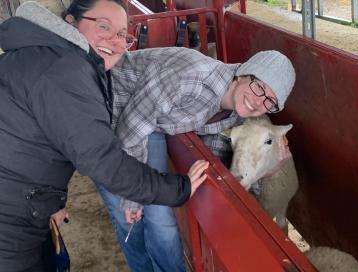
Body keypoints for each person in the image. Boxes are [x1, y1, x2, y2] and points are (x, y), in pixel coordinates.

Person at [0, 1, 208, 271]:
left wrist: (50, 201)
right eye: (103, 26)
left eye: (122, 34)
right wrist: (181, 189)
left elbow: (34, 142)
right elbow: (102, 161)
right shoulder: (66, 70)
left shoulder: (42, 55)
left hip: (20, 201)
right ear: (70, 22)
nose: (115, 40)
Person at [105, 48, 296, 271]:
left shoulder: (235, 112)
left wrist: (269, 169)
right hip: (108, 114)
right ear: (244, 73)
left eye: (270, 101)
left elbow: (218, 152)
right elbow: (129, 132)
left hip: (151, 124)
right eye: (259, 87)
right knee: (128, 218)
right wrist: (133, 195)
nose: (258, 102)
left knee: (160, 222)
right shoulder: (189, 78)